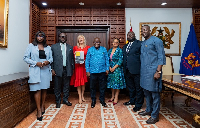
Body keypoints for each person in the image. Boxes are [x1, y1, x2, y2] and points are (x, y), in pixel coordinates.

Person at [138, 25, 166, 124]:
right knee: (146, 93)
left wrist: (158, 71)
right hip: (144, 72)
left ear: (150, 30)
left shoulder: (157, 41)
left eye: (145, 30)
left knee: (154, 94)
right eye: (142, 30)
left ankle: (155, 116)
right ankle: (148, 110)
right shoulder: (143, 42)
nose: (143, 32)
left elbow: (161, 56)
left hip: (153, 72)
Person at [23, 31, 53, 121]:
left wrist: (48, 61)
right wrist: (36, 63)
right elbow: (25, 58)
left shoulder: (48, 47)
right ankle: (39, 110)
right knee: (37, 89)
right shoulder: (31, 46)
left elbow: (51, 58)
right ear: (36, 37)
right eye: (38, 36)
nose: (40, 38)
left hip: (45, 70)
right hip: (35, 70)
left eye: (42, 36)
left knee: (44, 89)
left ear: (44, 38)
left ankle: (43, 105)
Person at [51, 32, 74, 108]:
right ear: (59, 37)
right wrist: (52, 69)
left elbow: (72, 59)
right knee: (57, 86)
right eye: (61, 36)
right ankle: (58, 101)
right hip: (57, 69)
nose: (63, 38)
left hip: (67, 69)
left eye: (64, 37)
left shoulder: (70, 47)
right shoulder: (54, 47)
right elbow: (51, 59)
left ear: (66, 38)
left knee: (66, 86)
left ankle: (65, 100)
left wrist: (72, 68)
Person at [122, 30, 144, 112]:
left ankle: (138, 104)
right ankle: (132, 100)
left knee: (138, 88)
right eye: (128, 35)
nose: (130, 36)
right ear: (127, 36)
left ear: (134, 35)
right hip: (127, 70)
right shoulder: (125, 46)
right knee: (131, 88)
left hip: (136, 70)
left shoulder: (139, 44)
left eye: (132, 34)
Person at [85, 37, 109, 108]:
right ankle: (93, 100)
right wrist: (87, 71)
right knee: (92, 87)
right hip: (93, 72)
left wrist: (107, 69)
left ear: (100, 43)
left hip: (102, 71)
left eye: (98, 42)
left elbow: (107, 59)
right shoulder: (90, 50)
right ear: (93, 43)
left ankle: (102, 100)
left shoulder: (104, 49)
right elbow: (87, 61)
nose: (96, 43)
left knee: (102, 87)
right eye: (95, 42)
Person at [70, 35, 90, 104]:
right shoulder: (75, 48)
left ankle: (83, 96)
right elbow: (72, 57)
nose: (81, 39)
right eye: (79, 38)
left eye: (82, 38)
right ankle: (79, 97)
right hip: (78, 66)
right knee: (78, 82)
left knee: (83, 82)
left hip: (84, 66)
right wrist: (75, 54)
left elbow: (89, 57)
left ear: (84, 40)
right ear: (78, 40)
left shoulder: (87, 47)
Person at [107, 38, 126, 105]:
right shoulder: (109, 51)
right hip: (110, 69)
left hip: (117, 69)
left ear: (118, 44)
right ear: (112, 43)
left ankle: (116, 97)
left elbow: (120, 60)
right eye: (114, 42)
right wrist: (109, 67)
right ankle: (112, 96)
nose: (115, 43)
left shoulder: (119, 50)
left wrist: (114, 68)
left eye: (116, 42)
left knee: (117, 84)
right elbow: (107, 60)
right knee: (112, 83)